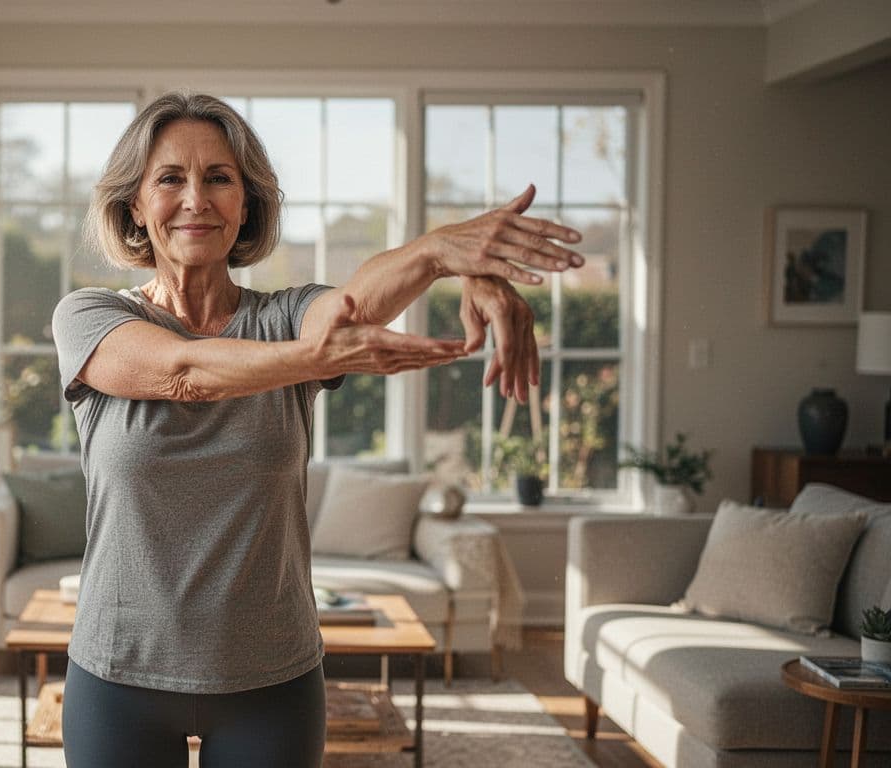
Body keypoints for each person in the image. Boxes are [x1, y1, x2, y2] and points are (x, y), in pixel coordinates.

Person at [51, 91, 583, 768]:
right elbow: (182, 373)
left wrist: (452, 258)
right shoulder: (88, 316)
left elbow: (356, 300)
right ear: (133, 206)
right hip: (118, 672)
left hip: (273, 679)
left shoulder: (285, 316)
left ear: (246, 204)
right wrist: (319, 357)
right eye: (170, 179)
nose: (197, 199)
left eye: (220, 177)